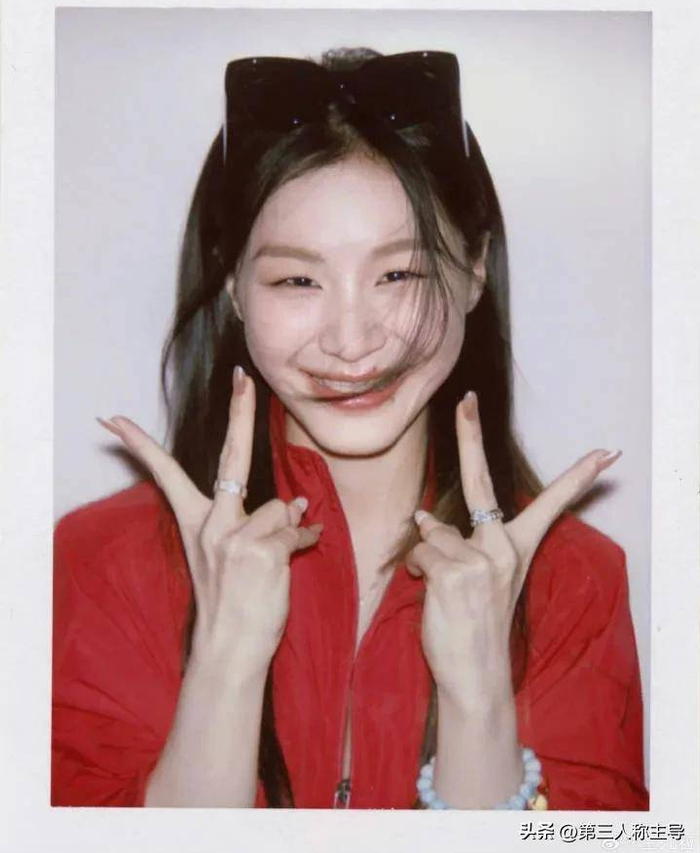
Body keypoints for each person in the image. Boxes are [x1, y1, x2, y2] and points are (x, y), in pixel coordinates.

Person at [51, 47, 648, 810]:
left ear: (473, 271)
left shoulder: (575, 578)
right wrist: (225, 663)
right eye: (298, 279)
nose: (352, 340)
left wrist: (478, 700)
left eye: (399, 274)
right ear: (232, 286)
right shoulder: (104, 560)